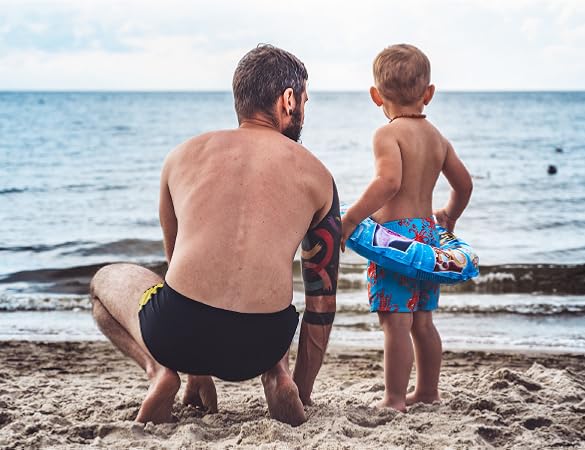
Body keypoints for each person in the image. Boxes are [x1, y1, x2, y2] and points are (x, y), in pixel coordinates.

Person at [90, 44, 340, 426]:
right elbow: (321, 302)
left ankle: (161, 372)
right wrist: (302, 392)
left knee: (103, 282)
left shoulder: (182, 156)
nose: (304, 112)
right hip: (261, 345)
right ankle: (278, 376)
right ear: (288, 100)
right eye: (304, 101)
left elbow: (178, 267)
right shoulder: (319, 177)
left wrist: (195, 370)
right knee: (274, 288)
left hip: (178, 332)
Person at [341, 44, 472, 412]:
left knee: (395, 322)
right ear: (428, 94)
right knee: (423, 321)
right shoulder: (437, 139)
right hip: (428, 240)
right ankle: (428, 391)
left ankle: (394, 399)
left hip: (395, 242)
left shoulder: (387, 134)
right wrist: (448, 215)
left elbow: (388, 182)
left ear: (375, 96)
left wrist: (350, 220)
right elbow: (464, 185)